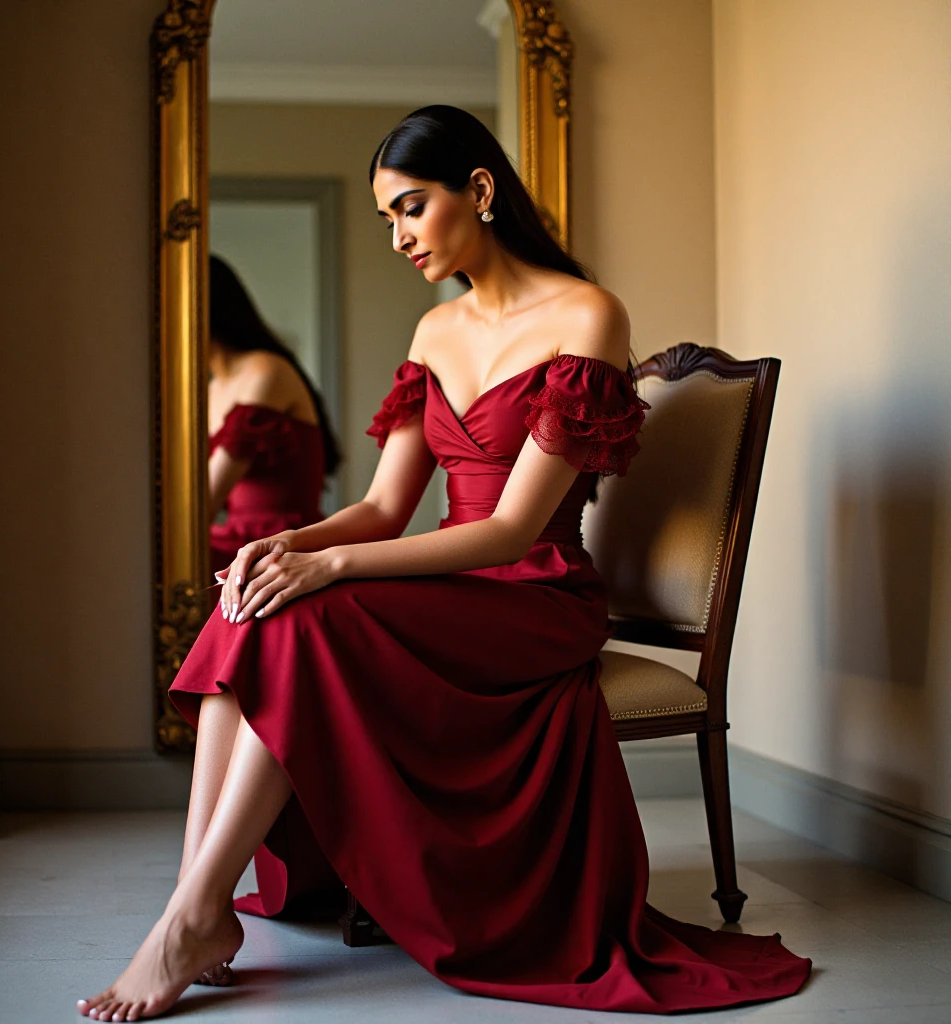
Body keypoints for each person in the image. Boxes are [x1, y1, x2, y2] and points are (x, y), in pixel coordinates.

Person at [78, 106, 811, 1022]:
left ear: (480, 190)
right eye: (387, 218)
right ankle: (199, 901)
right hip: (455, 584)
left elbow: (509, 533)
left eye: (411, 209)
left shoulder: (586, 314)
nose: (399, 237)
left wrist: (334, 569)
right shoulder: (436, 334)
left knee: (305, 609)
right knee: (251, 597)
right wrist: (288, 545)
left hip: (533, 592)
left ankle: (191, 918)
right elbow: (385, 509)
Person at [207, 255, 341, 577]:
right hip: (236, 538)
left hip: (280, 543)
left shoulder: (265, 371)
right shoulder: (212, 389)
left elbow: (204, 501)